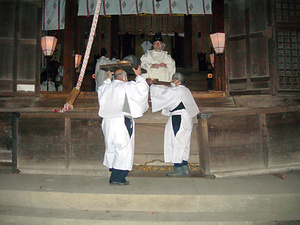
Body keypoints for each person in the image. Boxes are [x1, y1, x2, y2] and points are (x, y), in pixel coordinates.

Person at [97, 66, 149, 185]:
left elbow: (101, 89)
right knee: (123, 148)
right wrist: (139, 76)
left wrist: (108, 78)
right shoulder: (127, 86)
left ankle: (112, 168)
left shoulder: (106, 87)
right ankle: (117, 177)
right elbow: (142, 89)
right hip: (121, 120)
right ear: (124, 78)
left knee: (111, 147)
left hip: (107, 121)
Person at [148, 72, 199, 177]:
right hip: (186, 118)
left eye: (173, 80)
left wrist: (152, 86)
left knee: (177, 142)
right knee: (184, 143)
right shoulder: (186, 90)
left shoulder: (176, 90)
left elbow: (163, 96)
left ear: (178, 81)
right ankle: (185, 167)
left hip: (178, 118)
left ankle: (178, 168)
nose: (171, 82)